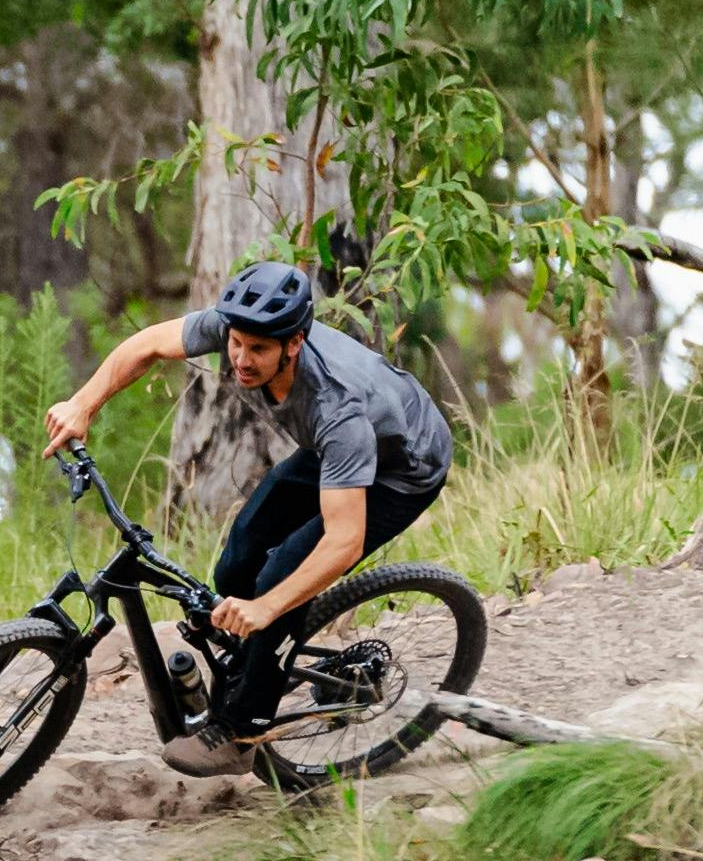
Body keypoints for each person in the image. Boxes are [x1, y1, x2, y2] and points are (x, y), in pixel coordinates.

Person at [40, 261, 454, 771]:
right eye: (235, 343)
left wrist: (268, 607)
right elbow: (146, 345)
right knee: (238, 562)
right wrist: (83, 404)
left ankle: (242, 731)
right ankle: (257, 654)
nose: (240, 359)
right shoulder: (239, 328)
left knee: (280, 579)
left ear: (294, 343)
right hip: (339, 453)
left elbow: (344, 542)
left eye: (257, 350)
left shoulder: (337, 409)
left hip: (404, 470)